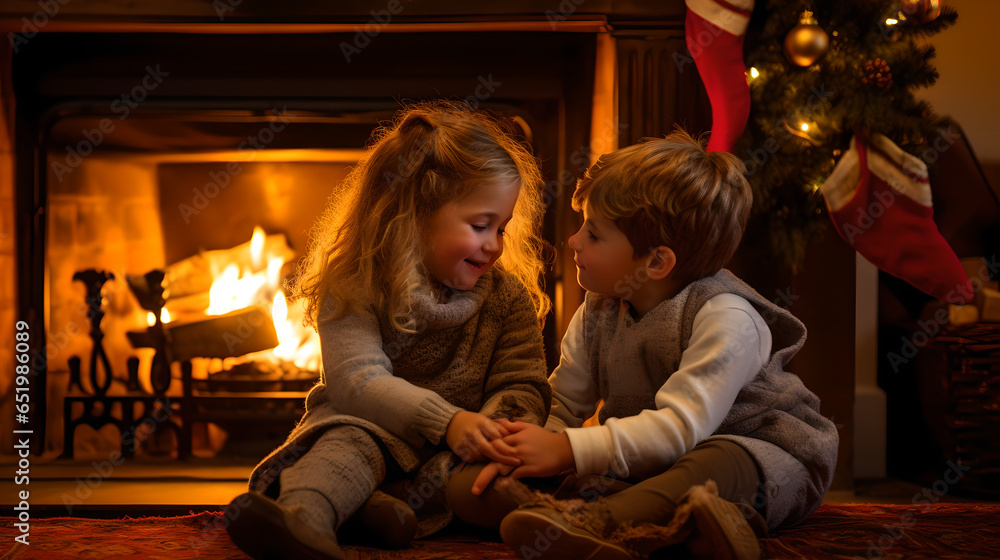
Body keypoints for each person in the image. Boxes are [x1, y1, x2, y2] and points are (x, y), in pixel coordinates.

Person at [456, 129, 840, 560]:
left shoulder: (727, 318)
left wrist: (566, 450)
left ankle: (595, 524)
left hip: (761, 455)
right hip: (654, 465)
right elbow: (563, 402)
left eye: (595, 235)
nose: (574, 241)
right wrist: (523, 450)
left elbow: (679, 428)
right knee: (478, 487)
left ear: (657, 261)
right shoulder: (599, 308)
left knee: (716, 460)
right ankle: (686, 527)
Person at [224, 101, 554, 560]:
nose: (496, 245)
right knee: (347, 447)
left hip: (459, 451)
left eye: (503, 228)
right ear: (415, 212)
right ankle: (305, 521)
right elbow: (358, 381)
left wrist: (494, 431)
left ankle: (376, 511)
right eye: (481, 226)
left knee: (490, 477)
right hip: (370, 428)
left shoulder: (506, 297)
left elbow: (523, 381)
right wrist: (448, 421)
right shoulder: (356, 283)